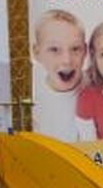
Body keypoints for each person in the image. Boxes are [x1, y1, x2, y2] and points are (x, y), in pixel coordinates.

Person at [31, 9, 87, 142]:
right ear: (37, 53)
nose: (67, 60)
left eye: (75, 49)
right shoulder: (32, 96)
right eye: (54, 49)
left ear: (85, 51)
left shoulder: (98, 88)